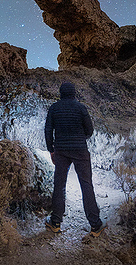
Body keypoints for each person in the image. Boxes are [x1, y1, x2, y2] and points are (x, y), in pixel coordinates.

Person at [44, 81, 105, 236]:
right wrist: (80, 138)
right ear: (74, 93)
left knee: (59, 185)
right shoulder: (81, 107)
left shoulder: (54, 108)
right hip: (80, 150)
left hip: (61, 151)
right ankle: (95, 225)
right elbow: (89, 130)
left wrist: (51, 150)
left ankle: (56, 222)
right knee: (86, 185)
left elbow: (48, 129)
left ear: (61, 93)